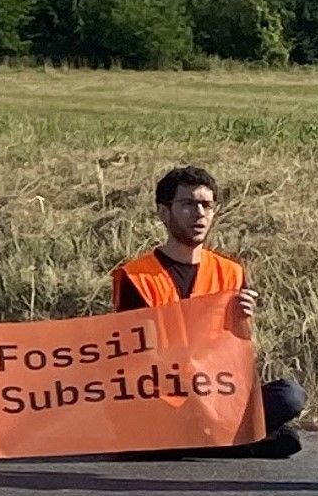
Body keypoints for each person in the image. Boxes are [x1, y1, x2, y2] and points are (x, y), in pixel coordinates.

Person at [110, 165, 306, 459]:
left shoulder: (230, 272)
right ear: (164, 213)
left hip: (215, 396)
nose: (199, 213)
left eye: (206, 205)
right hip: (163, 398)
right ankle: (234, 440)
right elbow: (130, 357)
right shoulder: (136, 276)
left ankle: (203, 439)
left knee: (289, 396)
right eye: (188, 204)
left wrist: (242, 321)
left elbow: (234, 358)